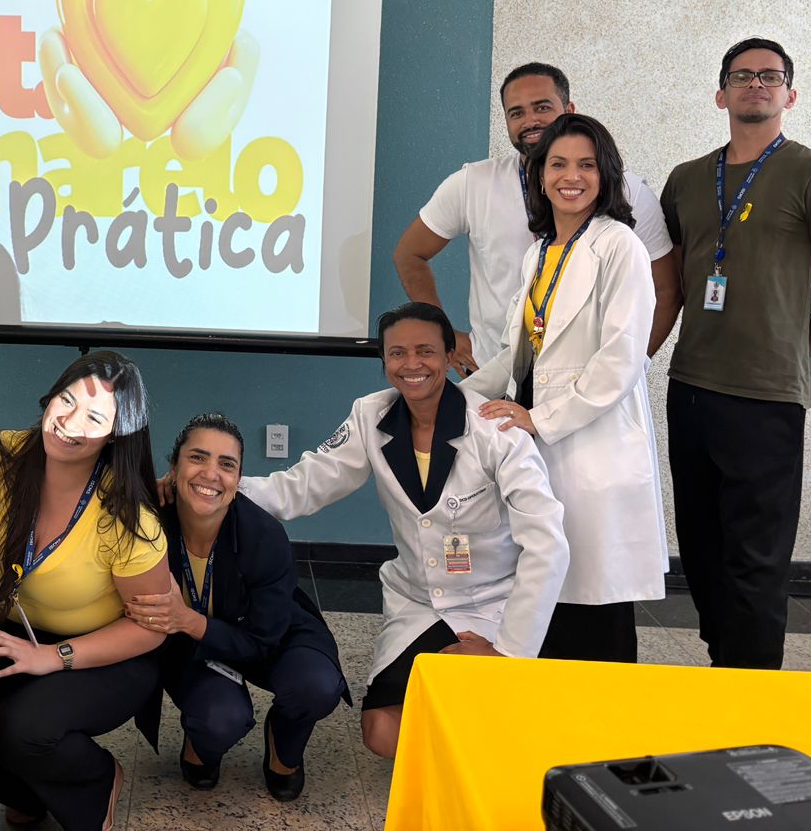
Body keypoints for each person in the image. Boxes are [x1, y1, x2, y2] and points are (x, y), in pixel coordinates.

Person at [237, 302, 568, 760]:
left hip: (493, 604)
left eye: (426, 351)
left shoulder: (496, 428)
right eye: (397, 353)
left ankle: (486, 736)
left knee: (491, 719)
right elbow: (301, 487)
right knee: (381, 734)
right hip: (418, 603)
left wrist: (509, 651)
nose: (412, 364)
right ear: (384, 361)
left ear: (450, 357)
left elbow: (547, 543)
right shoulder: (370, 416)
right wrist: (216, 490)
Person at [659, 38, 811, 669]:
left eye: (770, 76)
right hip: (691, 387)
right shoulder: (686, 180)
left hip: (766, 398)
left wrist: (788, 354)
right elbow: (669, 285)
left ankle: (752, 692)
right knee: (701, 548)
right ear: (720, 93)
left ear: (790, 95)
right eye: (742, 75)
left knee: (756, 558)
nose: (756, 83)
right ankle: (724, 665)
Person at [463, 113, 667, 663]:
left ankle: (605, 718)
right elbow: (518, 351)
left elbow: (622, 358)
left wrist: (540, 418)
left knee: (595, 603)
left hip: (591, 447)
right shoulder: (540, 251)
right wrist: (453, 399)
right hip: (537, 446)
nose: (570, 176)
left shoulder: (619, 245)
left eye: (586, 165)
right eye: (557, 164)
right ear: (539, 173)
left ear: (606, 174)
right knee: (544, 594)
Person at [0, 351, 172, 831]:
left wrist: (53, 657)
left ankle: (98, 781)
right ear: (49, 397)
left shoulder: (127, 516)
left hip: (107, 652)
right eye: (66, 401)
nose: (70, 423)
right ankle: (27, 792)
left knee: (22, 729)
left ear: (116, 433)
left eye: (94, 417)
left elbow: (151, 628)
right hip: (10, 628)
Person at [393, 61, 677, 374]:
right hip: (497, 376)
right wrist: (443, 334)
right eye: (516, 113)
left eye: (542, 107)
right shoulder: (473, 184)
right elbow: (409, 254)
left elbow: (666, 290)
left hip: (590, 383)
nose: (531, 121)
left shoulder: (629, 193)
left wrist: (633, 367)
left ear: (569, 110)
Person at [132, 414, 347, 801]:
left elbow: (262, 639)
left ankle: (283, 746)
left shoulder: (264, 535)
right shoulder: (149, 523)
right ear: (174, 468)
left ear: (238, 481)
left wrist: (190, 620)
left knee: (315, 685)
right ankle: (202, 742)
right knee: (220, 719)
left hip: (268, 634)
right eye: (197, 458)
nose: (211, 474)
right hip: (196, 646)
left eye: (226, 464)